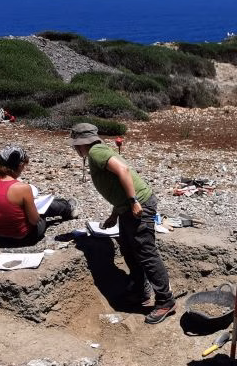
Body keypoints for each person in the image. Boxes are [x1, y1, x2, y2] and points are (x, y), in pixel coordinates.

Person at [69, 122, 176, 324]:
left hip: (138, 205)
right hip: (126, 208)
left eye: (76, 144)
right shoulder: (97, 152)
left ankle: (165, 300)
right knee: (129, 249)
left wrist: (134, 202)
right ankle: (140, 290)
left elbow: (123, 171)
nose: (75, 148)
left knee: (146, 253)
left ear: (82, 143)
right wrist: (114, 215)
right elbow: (116, 186)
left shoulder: (96, 152)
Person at [0, 145, 74, 245]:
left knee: (31, 205)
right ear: (19, 165)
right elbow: (34, 220)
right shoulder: (23, 188)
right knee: (45, 207)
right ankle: (68, 208)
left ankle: (66, 206)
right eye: (23, 165)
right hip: (24, 238)